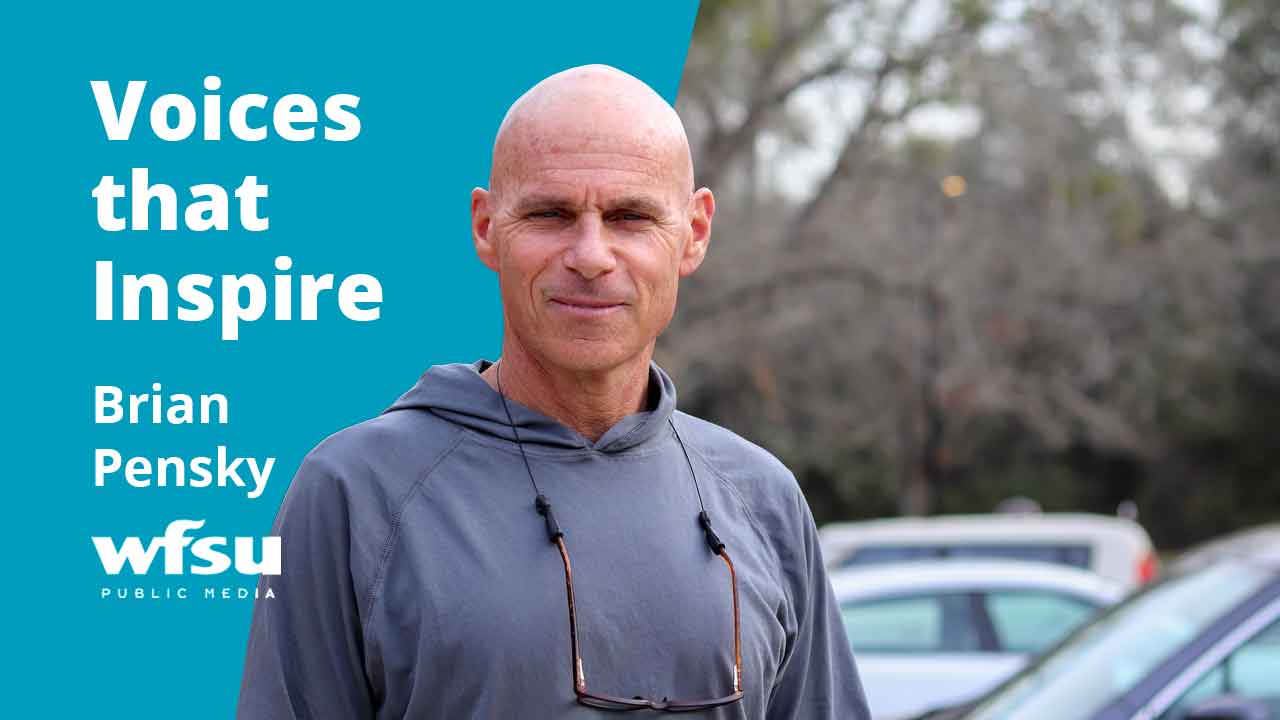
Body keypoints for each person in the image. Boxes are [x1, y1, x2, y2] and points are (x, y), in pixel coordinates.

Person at [237, 64, 870, 719]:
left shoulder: (761, 498)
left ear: (694, 233)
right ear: (486, 227)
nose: (591, 255)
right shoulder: (355, 492)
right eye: (551, 214)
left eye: (630, 217)